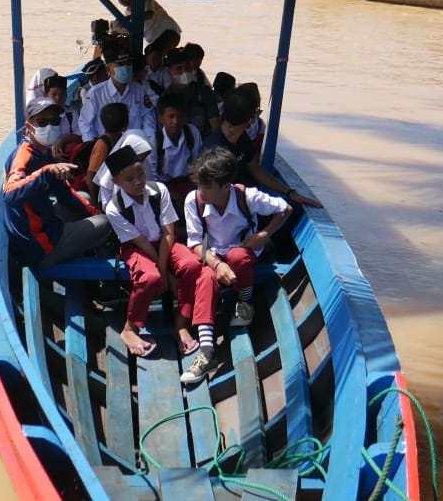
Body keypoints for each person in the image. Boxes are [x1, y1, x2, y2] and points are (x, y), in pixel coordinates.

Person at [180, 146, 291, 384]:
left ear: (225, 186)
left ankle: (244, 301)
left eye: (207, 186)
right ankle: (207, 353)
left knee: (238, 258)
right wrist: (216, 265)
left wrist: (263, 234)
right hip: (213, 256)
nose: (201, 191)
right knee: (205, 279)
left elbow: (285, 209)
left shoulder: (247, 196)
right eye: (199, 184)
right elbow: (195, 242)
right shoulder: (194, 200)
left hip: (242, 250)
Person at [103, 146, 208, 357]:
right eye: (129, 179)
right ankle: (130, 328)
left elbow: (169, 232)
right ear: (116, 182)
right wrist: (163, 273)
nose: (138, 182)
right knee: (150, 277)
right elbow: (140, 241)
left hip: (165, 242)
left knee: (191, 264)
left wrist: (163, 267)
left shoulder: (159, 190)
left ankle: (181, 323)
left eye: (141, 174)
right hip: (137, 248)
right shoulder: (114, 208)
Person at [2, 97, 112, 268]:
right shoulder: (24, 155)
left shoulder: (44, 153)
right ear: (29, 126)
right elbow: (10, 195)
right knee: (105, 224)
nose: (49, 126)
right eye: (42, 122)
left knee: (84, 198)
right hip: (35, 244)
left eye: (54, 121)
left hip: (44, 222)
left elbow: (65, 193)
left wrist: (94, 212)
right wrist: (45, 172)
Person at [202, 87, 322, 208]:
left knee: (293, 205)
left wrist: (289, 192)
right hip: (231, 205)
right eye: (255, 113)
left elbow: (255, 169)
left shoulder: (242, 137)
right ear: (249, 120)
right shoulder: (212, 150)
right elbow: (211, 192)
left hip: (248, 198)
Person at [79, 40, 156, 141]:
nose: (125, 67)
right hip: (107, 146)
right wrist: (93, 145)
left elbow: (148, 120)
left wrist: (148, 144)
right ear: (108, 69)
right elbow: (85, 124)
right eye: (120, 65)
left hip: (135, 145)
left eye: (128, 63)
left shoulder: (140, 90)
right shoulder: (95, 94)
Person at [148, 92, 203, 210]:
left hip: (189, 183)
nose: (175, 122)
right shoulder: (155, 142)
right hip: (165, 187)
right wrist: (173, 197)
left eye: (180, 117)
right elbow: (153, 178)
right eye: (171, 117)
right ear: (161, 118)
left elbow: (198, 163)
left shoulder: (192, 133)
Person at [162, 47, 220, 135]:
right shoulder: (165, 98)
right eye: (179, 68)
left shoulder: (205, 92)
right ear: (170, 71)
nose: (185, 72)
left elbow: (215, 126)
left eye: (188, 67)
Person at [80, 102, 129, 204]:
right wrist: (95, 203)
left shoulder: (121, 139)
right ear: (125, 125)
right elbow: (90, 178)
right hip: (100, 195)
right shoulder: (103, 145)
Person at [94, 130, 152, 208]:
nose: (142, 160)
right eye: (140, 156)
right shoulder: (112, 174)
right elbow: (107, 205)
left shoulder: (144, 164)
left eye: (145, 157)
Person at [110, 0, 181, 50]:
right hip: (154, 39)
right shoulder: (128, 12)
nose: (122, 0)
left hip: (168, 32)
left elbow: (149, 14)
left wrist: (128, 18)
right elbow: (136, 30)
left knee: (153, 55)